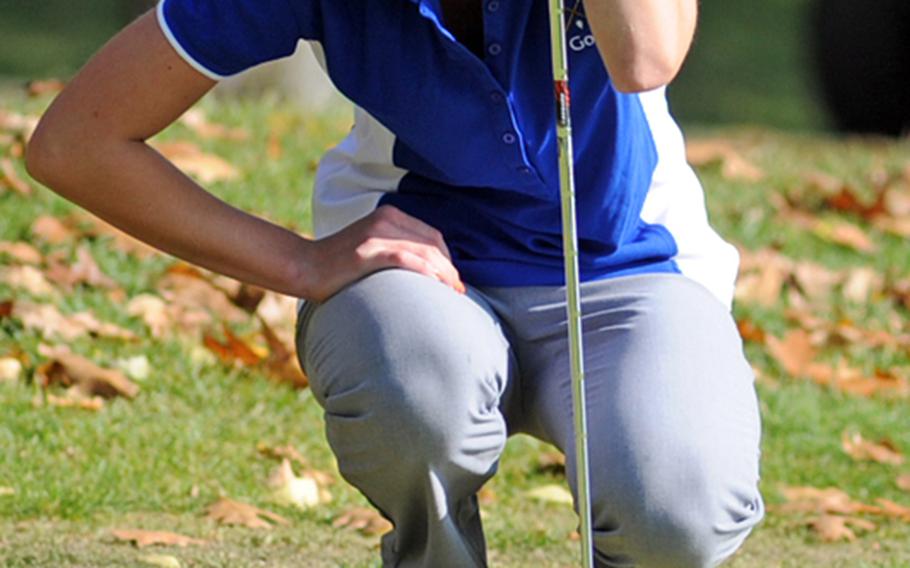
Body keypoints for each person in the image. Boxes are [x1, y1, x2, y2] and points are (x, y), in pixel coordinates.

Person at [26, 1, 765, 566]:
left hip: (634, 269)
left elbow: (645, 58)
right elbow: (75, 142)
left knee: (678, 510)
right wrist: (299, 262)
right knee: (418, 394)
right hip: (420, 275)